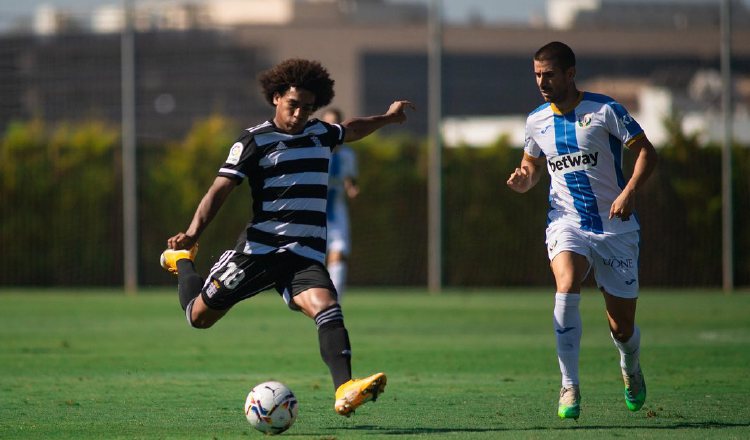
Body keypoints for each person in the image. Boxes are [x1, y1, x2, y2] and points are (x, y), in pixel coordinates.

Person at [159, 58, 414, 417]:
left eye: (308, 108)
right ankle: (182, 262)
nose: (299, 114)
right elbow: (219, 190)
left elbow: (352, 128)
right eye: (293, 105)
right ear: (276, 97)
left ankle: (344, 388)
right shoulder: (253, 141)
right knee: (198, 317)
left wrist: (388, 118)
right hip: (258, 251)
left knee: (327, 305)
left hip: (304, 253)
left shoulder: (320, 134)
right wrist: (191, 235)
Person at [506, 41, 657, 420]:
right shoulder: (536, 120)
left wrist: (629, 193)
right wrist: (524, 178)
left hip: (616, 227)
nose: (542, 82)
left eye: (549, 75)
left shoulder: (605, 110)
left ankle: (630, 364)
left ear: (570, 74)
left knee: (622, 328)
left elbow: (646, 152)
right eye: (537, 75)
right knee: (566, 283)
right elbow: (531, 165)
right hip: (566, 222)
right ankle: (569, 385)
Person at [321, 108, 359, 302]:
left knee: (339, 252)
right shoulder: (316, 152)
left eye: (336, 123)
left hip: (337, 211)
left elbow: (350, 179)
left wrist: (352, 188)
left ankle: (334, 303)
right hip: (315, 212)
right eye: (328, 124)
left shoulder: (347, 155)